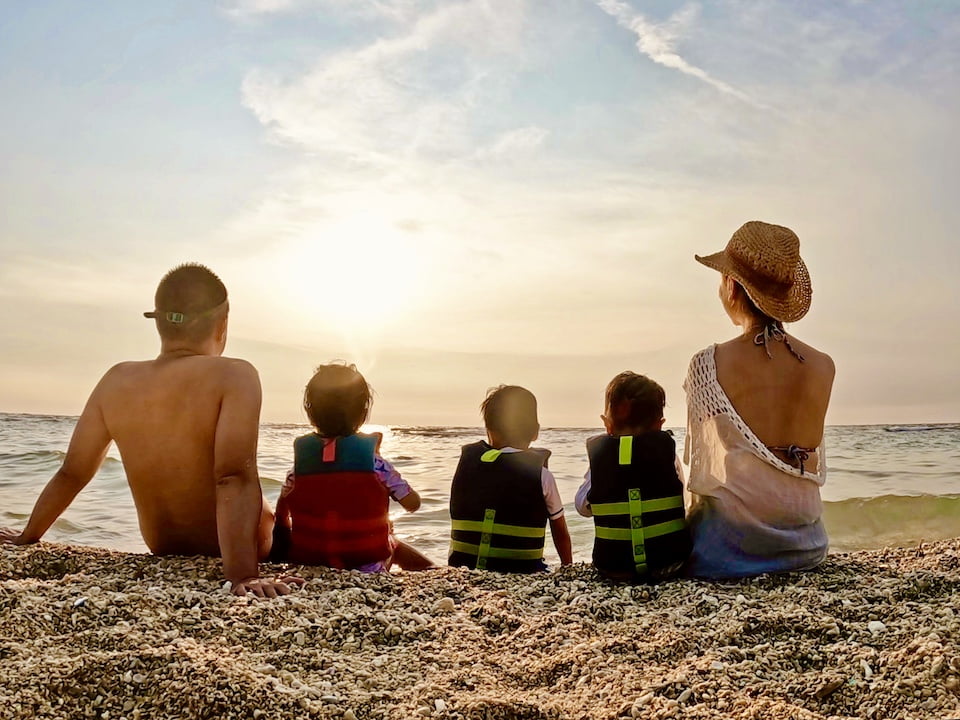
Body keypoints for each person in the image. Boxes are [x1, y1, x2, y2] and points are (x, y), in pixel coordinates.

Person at [0, 264, 297, 597]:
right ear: (223, 323)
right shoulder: (235, 375)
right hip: (252, 548)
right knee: (280, 517)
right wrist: (242, 575)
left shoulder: (116, 380)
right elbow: (231, 476)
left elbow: (73, 472)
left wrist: (30, 534)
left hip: (163, 546)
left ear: (157, 321)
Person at [683, 220, 835, 578]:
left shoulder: (707, 364)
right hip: (807, 543)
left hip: (732, 548)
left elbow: (701, 470)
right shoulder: (823, 365)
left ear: (731, 285)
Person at [271, 362, 433, 572]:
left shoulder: (299, 467)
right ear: (363, 410)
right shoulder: (375, 464)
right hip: (366, 565)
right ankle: (434, 571)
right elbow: (413, 504)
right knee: (395, 544)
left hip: (311, 562)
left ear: (309, 410)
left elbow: (282, 516)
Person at [575, 372, 690, 582]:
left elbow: (582, 507)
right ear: (660, 424)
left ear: (606, 423)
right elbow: (680, 496)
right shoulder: (667, 454)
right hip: (669, 564)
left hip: (614, 568)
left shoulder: (601, 457)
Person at [448, 385, 573, 572]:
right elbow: (559, 530)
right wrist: (567, 566)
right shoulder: (541, 475)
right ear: (535, 432)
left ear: (489, 429)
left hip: (463, 567)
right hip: (522, 569)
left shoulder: (467, 465)